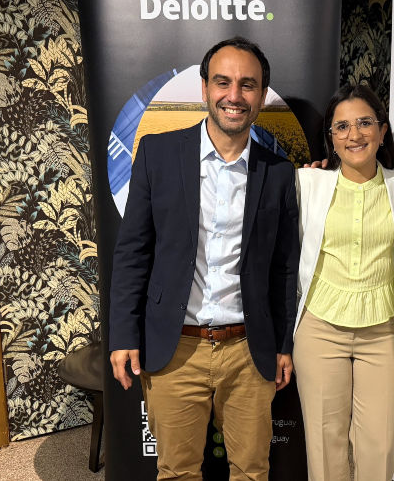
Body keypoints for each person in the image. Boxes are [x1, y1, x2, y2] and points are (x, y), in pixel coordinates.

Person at [108, 36, 299, 481]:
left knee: (252, 471)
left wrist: (284, 344)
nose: (234, 95)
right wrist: (122, 334)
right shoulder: (158, 153)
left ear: (261, 96)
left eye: (248, 85)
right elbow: (133, 251)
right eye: (223, 82)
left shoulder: (278, 171)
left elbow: (284, 267)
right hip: (175, 348)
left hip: (248, 350)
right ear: (204, 89)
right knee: (177, 473)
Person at [292, 84, 394, 481]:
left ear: (382, 130)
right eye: (341, 127)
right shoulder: (307, 184)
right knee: (325, 449)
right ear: (331, 139)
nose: (353, 134)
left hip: (384, 333)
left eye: (363, 123)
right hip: (319, 329)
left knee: (380, 447)